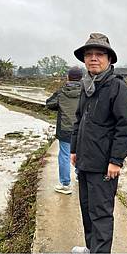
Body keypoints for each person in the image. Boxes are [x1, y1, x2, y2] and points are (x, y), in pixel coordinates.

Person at [70, 33, 127, 254]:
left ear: (109, 60)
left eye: (99, 54)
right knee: (87, 210)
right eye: (89, 54)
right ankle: (91, 249)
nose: (93, 58)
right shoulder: (86, 85)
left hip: (104, 165)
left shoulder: (117, 87)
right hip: (85, 162)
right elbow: (79, 118)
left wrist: (116, 160)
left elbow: (125, 127)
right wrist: (73, 149)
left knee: (101, 214)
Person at [45, 67, 83, 195]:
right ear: (81, 78)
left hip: (65, 130)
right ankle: (80, 177)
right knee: (81, 154)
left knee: (65, 156)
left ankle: (65, 185)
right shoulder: (86, 91)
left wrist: (61, 107)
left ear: (68, 77)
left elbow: (49, 103)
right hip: (82, 130)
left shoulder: (61, 92)